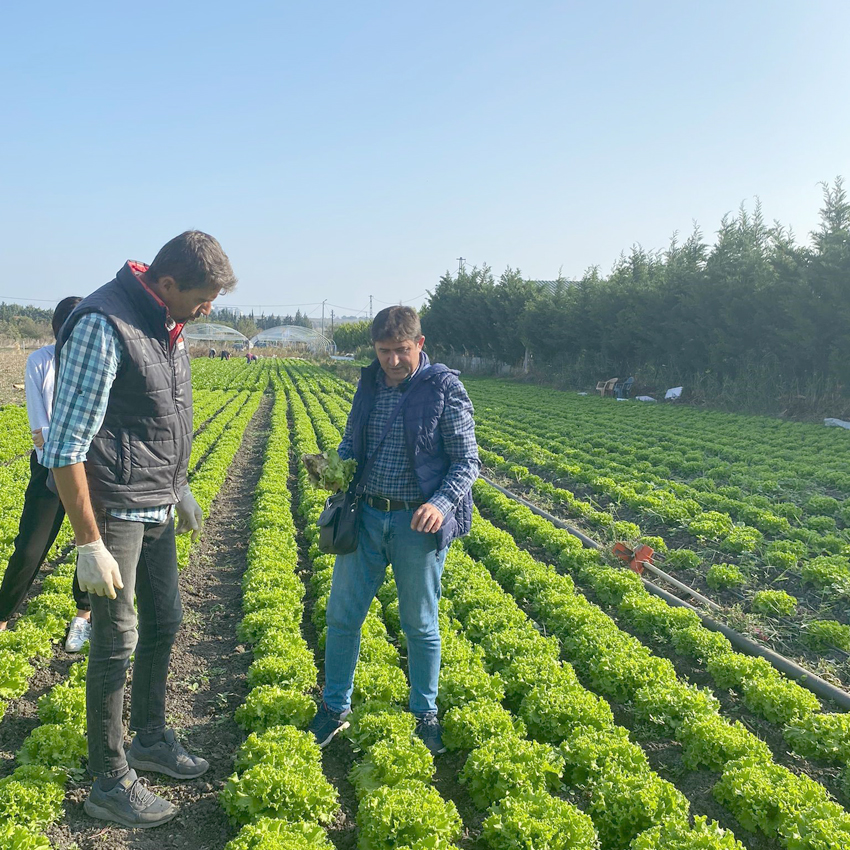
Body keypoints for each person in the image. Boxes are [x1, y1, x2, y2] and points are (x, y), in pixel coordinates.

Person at [43, 230, 237, 829]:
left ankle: (149, 736)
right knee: (116, 638)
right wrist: (88, 542)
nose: (208, 310)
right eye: (202, 298)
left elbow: (156, 418)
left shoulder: (166, 324)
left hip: (155, 504)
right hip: (116, 512)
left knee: (167, 618)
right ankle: (108, 777)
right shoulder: (106, 323)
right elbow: (66, 446)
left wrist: (178, 489)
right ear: (168, 283)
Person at [309, 306, 479, 755]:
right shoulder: (367, 382)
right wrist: (336, 465)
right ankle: (333, 707)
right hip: (365, 516)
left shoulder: (444, 388)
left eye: (401, 351)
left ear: (419, 344)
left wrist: (440, 505)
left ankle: (424, 711)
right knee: (342, 616)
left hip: (415, 525)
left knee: (419, 624)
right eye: (384, 352)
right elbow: (352, 440)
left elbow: (466, 462)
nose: (393, 361)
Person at [0, 296, 93, 651]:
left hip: (90, 466)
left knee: (89, 543)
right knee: (29, 548)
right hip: (50, 466)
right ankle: (3, 617)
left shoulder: (94, 363)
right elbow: (39, 426)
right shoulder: (41, 360)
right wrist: (59, 449)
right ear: (59, 328)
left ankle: (83, 615)